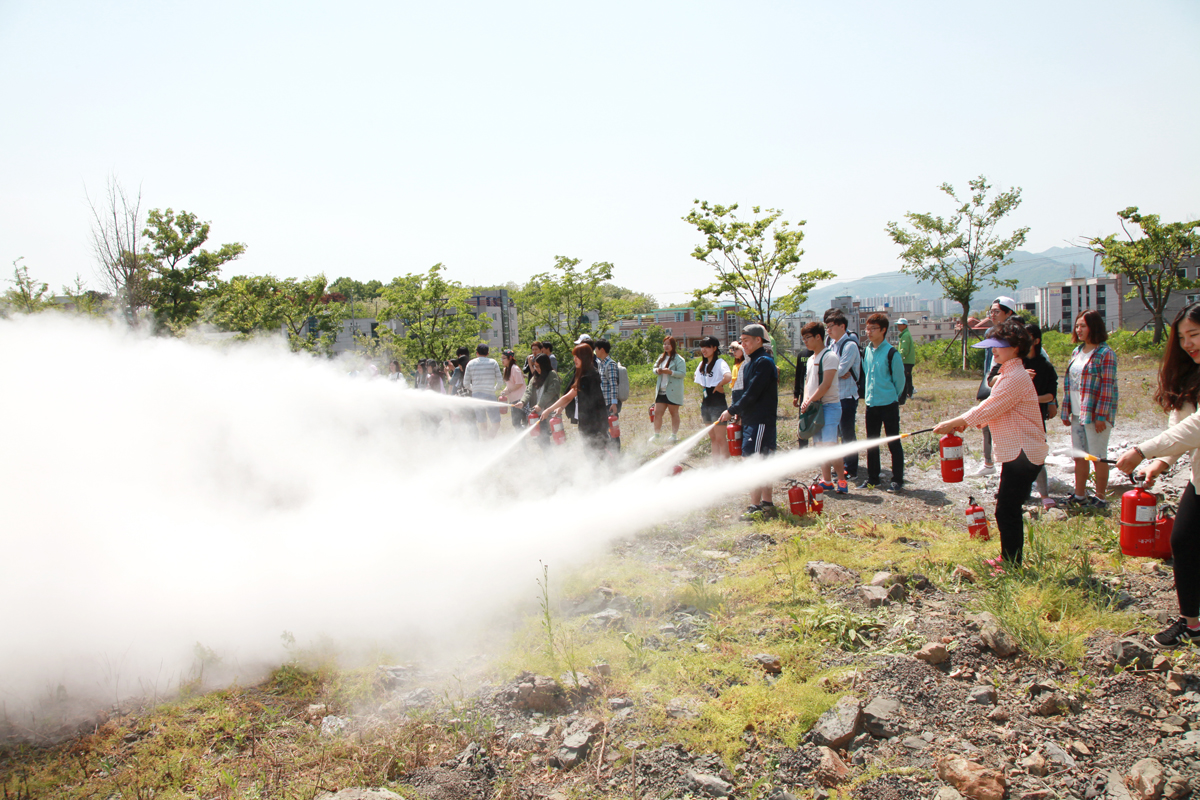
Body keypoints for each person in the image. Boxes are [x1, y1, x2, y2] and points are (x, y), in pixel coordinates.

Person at [1114, 302, 1200, 648]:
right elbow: (1182, 425)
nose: (1188, 344)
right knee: (1183, 541)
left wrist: (1142, 451)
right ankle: (1192, 624)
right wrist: (1160, 463)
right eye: (1182, 337)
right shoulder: (1193, 373)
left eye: (1194, 334)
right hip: (1198, 480)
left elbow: (1196, 427)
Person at [933, 320, 1047, 570]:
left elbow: (989, 407)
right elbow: (997, 409)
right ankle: (1009, 559)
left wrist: (956, 421)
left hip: (1023, 453)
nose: (993, 350)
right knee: (1007, 508)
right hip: (1019, 453)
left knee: (1007, 510)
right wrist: (965, 422)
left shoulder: (1014, 377)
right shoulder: (1010, 373)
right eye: (992, 345)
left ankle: (1011, 563)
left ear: (1016, 348)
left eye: (999, 345)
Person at [718, 324, 778, 520]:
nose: (743, 344)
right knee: (762, 461)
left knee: (752, 460)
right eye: (741, 341)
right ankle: (767, 505)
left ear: (758, 340)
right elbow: (742, 391)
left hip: (760, 420)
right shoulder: (750, 362)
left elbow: (753, 392)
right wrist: (738, 412)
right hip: (752, 419)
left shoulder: (763, 362)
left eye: (746, 341)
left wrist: (732, 410)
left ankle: (756, 506)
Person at [1061, 309, 1118, 508]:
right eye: (1077, 326)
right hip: (1078, 413)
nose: (1079, 329)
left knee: (1097, 457)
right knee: (1080, 456)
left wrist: (1102, 416)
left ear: (1094, 327)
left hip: (1095, 414)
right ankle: (1079, 495)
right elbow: (1070, 383)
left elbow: (1107, 386)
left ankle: (1100, 498)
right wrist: (1066, 410)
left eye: (1083, 326)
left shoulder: (1105, 353)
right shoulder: (1077, 352)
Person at [859, 313, 906, 492]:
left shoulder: (892, 353)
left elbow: (899, 381)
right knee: (872, 443)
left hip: (888, 404)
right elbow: (866, 374)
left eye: (873, 328)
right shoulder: (867, 351)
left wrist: (891, 396)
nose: (869, 332)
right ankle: (873, 478)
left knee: (893, 441)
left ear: (883, 330)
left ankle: (897, 479)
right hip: (871, 404)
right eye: (867, 328)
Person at [971, 297, 1018, 476]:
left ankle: (1012, 465)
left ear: (1009, 313)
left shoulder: (1017, 335)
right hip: (992, 383)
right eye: (991, 311)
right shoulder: (990, 332)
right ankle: (989, 462)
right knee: (986, 423)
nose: (992, 314)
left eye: (997, 311)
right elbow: (989, 363)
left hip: (1010, 387)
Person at [799, 322, 847, 493]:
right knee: (819, 445)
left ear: (818, 337)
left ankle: (841, 480)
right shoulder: (810, 359)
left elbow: (825, 385)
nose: (805, 341)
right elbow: (807, 383)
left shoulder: (829, 357)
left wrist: (810, 400)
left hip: (829, 406)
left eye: (808, 337)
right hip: (815, 407)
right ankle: (827, 481)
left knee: (830, 445)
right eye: (803, 338)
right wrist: (806, 400)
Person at [541, 343, 607, 451]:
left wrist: (548, 410)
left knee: (595, 451)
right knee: (592, 451)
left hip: (594, 422)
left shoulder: (588, 376)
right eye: (574, 356)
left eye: (577, 357)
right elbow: (570, 396)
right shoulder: (586, 373)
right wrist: (561, 407)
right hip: (590, 421)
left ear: (584, 358)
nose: (574, 359)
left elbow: (568, 396)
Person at [1021, 323, 1059, 509]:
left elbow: (1051, 395)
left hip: (1036, 417)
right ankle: (1022, 492)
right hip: (1016, 417)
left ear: (1036, 341)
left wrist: (1033, 400)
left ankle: (1044, 495)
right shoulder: (1016, 363)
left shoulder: (1045, 366)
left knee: (1037, 454)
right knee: (1016, 456)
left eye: (1027, 336)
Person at [827, 313, 860, 480]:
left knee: (847, 434)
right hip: (834, 396)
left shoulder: (850, 345)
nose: (828, 330)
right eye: (827, 327)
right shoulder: (831, 345)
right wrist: (834, 371)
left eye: (831, 326)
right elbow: (829, 369)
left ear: (842, 326)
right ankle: (840, 466)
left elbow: (840, 370)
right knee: (835, 434)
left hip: (847, 396)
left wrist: (832, 372)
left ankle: (851, 468)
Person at [694, 335, 732, 464]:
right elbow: (698, 378)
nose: (703, 350)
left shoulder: (720, 362)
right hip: (706, 404)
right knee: (713, 438)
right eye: (702, 347)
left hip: (718, 403)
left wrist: (719, 385)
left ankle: (726, 466)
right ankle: (715, 465)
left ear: (715, 348)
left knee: (720, 438)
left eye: (707, 347)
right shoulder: (702, 364)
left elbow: (728, 376)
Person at [516, 354, 561, 446]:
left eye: (538, 366)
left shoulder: (552, 375)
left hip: (548, 413)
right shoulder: (535, 377)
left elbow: (550, 392)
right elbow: (528, 391)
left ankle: (552, 454)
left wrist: (540, 404)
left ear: (545, 366)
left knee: (550, 439)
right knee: (541, 440)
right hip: (538, 414)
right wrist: (522, 402)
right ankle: (548, 454)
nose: (536, 369)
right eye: (535, 366)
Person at [650, 336, 686, 444]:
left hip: (673, 390)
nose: (666, 346)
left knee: (673, 412)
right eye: (665, 344)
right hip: (661, 390)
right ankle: (656, 435)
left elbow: (682, 374)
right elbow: (654, 368)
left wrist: (670, 372)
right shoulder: (661, 357)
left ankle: (673, 435)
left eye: (668, 344)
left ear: (673, 345)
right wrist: (657, 370)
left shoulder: (679, 359)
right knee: (657, 413)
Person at [464, 343, 504, 438]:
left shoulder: (470, 363)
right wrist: (493, 389)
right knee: (496, 423)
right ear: (488, 353)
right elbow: (500, 382)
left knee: (482, 423)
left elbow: (466, 383)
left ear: (477, 353)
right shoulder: (493, 362)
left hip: (476, 396)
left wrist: (475, 389)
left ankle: (485, 442)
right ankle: (489, 440)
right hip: (490, 395)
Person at [594, 339, 621, 453]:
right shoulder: (601, 363)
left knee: (613, 429)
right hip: (603, 402)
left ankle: (616, 453)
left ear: (602, 350)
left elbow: (614, 384)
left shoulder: (610, 364)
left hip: (610, 403)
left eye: (596, 349)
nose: (595, 351)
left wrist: (614, 403)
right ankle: (610, 452)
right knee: (605, 429)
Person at [499, 349, 527, 430]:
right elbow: (508, 384)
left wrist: (508, 391)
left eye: (504, 358)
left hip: (520, 399)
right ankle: (522, 436)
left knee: (519, 423)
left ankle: (523, 436)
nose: (502, 360)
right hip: (513, 400)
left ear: (510, 358)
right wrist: (504, 391)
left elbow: (519, 383)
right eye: (501, 358)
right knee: (516, 423)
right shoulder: (505, 369)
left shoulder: (515, 369)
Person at [897, 318, 915, 403]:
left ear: (905, 325)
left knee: (905, 378)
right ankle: (909, 392)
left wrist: (898, 358)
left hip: (906, 361)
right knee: (907, 377)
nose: (898, 326)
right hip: (907, 360)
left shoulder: (905, 335)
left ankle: (909, 393)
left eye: (900, 324)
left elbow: (904, 350)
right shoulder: (905, 334)